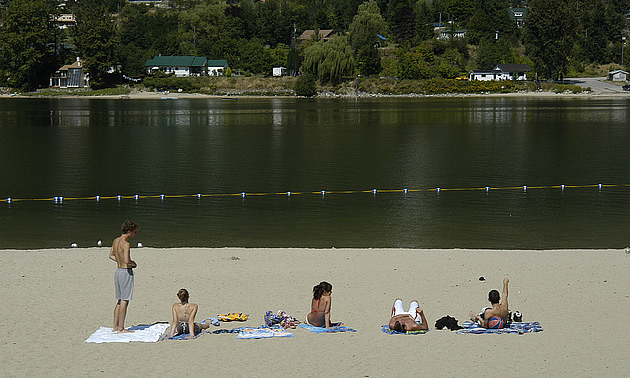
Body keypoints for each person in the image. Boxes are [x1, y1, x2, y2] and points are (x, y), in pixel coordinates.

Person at [108, 221, 139, 333]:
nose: (135, 235)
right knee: (125, 300)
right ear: (129, 231)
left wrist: (120, 260)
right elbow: (127, 260)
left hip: (118, 271)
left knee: (119, 300)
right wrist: (133, 263)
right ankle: (121, 328)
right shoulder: (125, 244)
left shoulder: (116, 241)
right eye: (134, 232)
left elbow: (111, 255)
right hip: (125, 272)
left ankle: (115, 327)